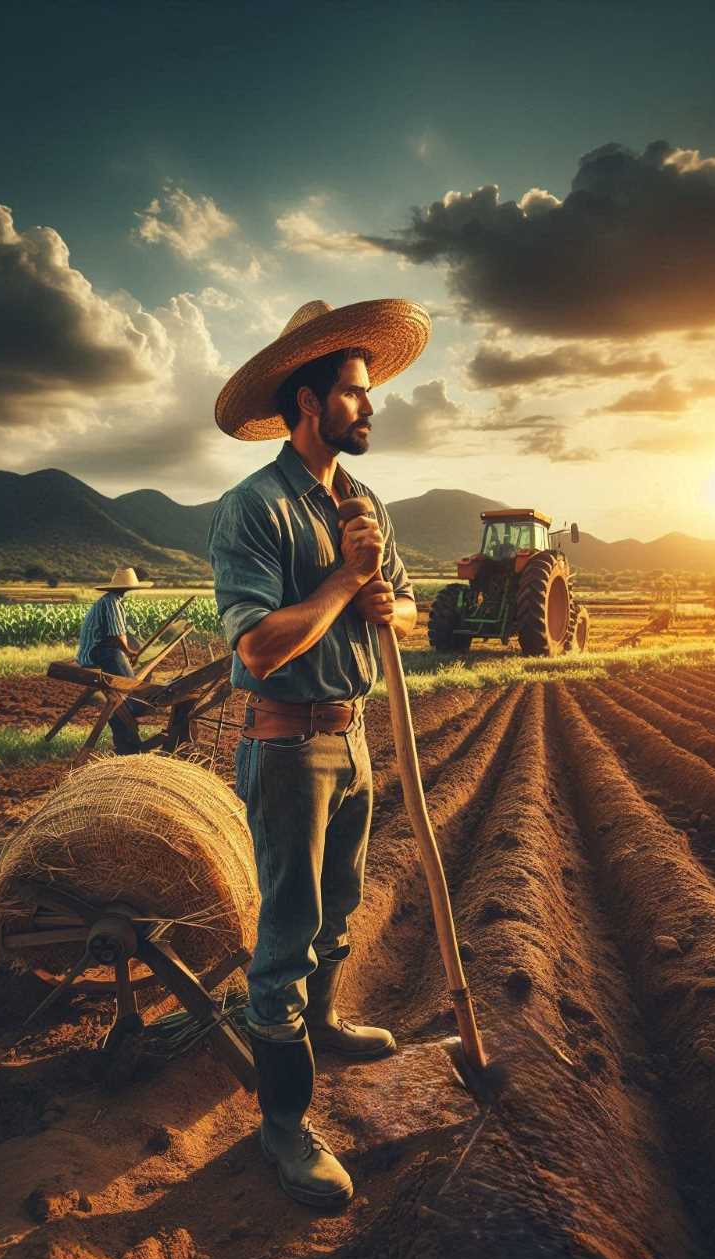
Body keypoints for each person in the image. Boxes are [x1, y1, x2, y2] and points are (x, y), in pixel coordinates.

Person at [209, 298, 430, 1209]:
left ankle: (328, 1019)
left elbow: (407, 611)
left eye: (368, 393)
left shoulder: (365, 501)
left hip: (355, 739)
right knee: (286, 941)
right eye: (353, 393)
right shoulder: (254, 509)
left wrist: (389, 605)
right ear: (308, 400)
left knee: (340, 905)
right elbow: (255, 649)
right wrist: (345, 581)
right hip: (290, 746)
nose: (369, 408)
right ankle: (283, 1126)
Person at [76, 565, 153, 754]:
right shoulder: (112, 602)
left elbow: (118, 635)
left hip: (100, 650)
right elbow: (117, 635)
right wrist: (128, 652)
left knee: (121, 694)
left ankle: (124, 736)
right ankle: (128, 740)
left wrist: (129, 652)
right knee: (131, 691)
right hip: (98, 652)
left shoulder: (110, 600)